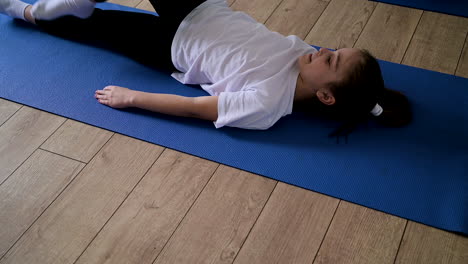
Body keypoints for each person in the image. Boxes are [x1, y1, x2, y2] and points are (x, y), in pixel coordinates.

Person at [0, 0, 411, 131]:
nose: (323, 50)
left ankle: (29, 12)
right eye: (334, 48)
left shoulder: (268, 105)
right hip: (199, 7)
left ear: (324, 94)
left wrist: (132, 98)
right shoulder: (305, 56)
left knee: (90, 24)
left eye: (332, 60)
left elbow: (197, 108)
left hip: (172, 44)